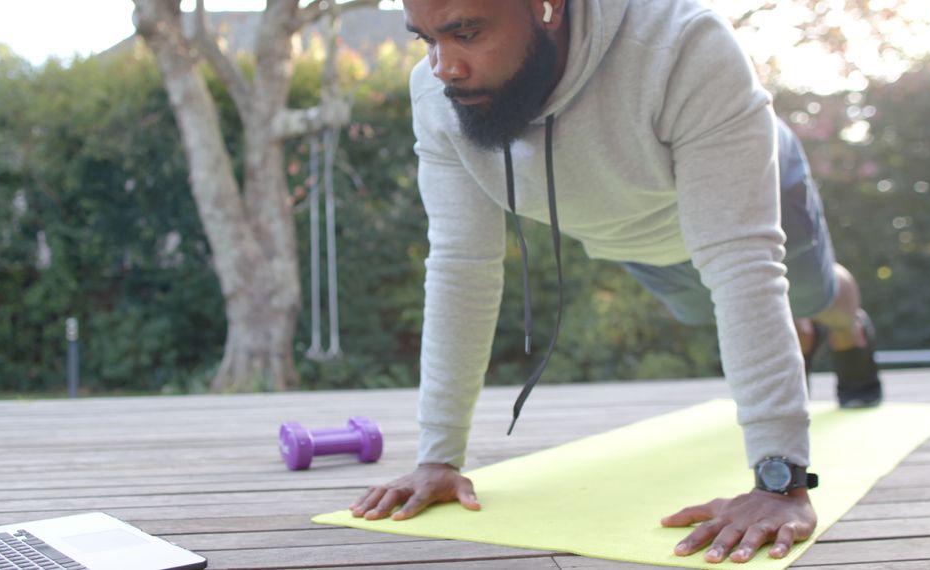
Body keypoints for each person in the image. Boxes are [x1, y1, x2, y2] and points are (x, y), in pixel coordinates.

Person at [349, 0, 883, 564]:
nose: (444, 67)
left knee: (814, 294)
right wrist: (438, 457)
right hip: (632, 233)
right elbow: (462, 266)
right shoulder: (439, 97)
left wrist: (781, 481)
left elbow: (742, 261)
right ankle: (794, 332)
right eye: (427, 40)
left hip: (747, 201)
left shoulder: (684, 44)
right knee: (706, 313)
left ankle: (848, 331)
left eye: (467, 33)